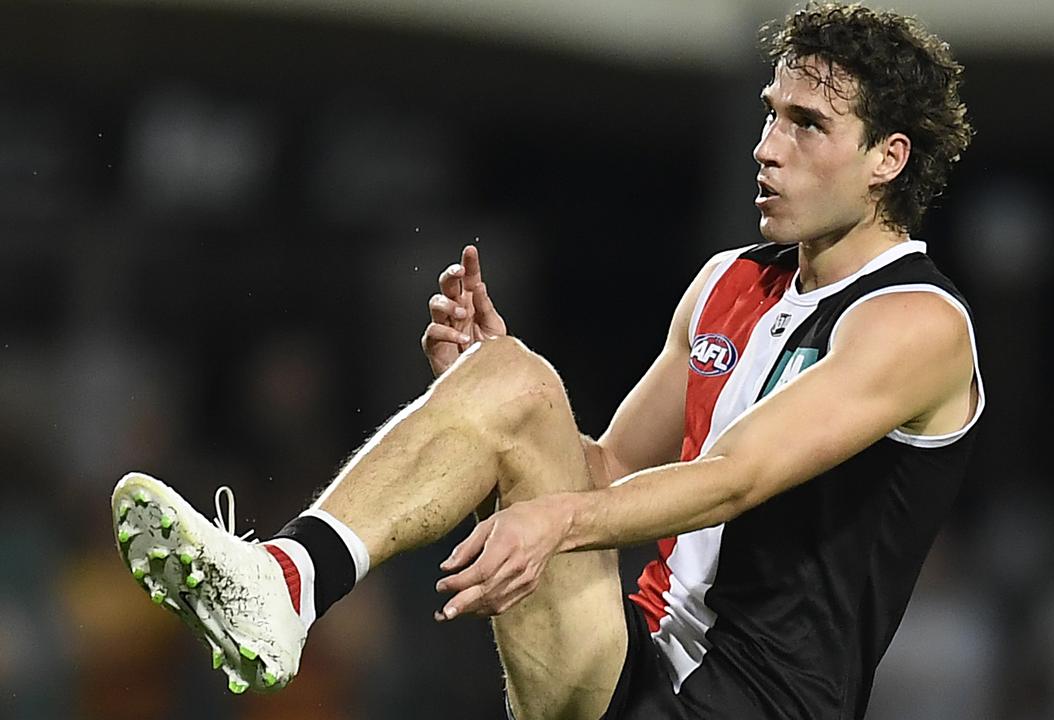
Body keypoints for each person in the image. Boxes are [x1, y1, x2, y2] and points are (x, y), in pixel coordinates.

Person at [111, 3, 981, 718]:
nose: (768, 145)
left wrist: (553, 521)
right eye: (768, 113)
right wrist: (479, 404)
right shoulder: (728, 283)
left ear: (886, 159)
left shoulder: (916, 323)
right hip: (633, 666)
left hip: (757, 704)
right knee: (516, 379)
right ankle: (287, 582)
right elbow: (602, 468)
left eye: (807, 125)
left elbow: (734, 478)